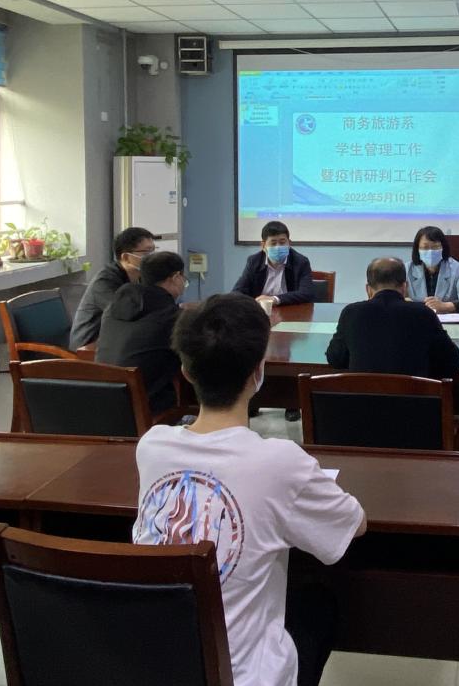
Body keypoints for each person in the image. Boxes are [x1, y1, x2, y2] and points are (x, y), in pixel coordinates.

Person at [133, 292, 366, 686]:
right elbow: (354, 525)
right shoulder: (281, 462)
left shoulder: (152, 446)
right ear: (259, 369)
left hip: (160, 663)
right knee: (318, 603)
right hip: (243, 677)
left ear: (186, 372)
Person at [326, 258, 459, 379]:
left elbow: (335, 359)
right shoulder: (423, 313)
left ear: (368, 289)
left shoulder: (351, 313)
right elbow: (451, 363)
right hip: (414, 398)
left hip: (364, 398)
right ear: (404, 287)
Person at [95, 251, 186, 415]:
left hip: (102, 402)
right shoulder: (172, 317)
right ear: (176, 277)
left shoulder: (113, 307)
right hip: (146, 409)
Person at [70, 227, 155, 349]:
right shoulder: (105, 281)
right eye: (146, 253)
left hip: (119, 338)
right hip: (90, 346)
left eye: (153, 251)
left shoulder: (142, 277)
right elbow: (124, 313)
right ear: (126, 257)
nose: (152, 257)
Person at [232, 220, 315, 307]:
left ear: (289, 243)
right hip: (260, 310)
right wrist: (253, 303)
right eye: (273, 243)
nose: (278, 247)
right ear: (263, 246)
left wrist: (275, 299)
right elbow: (237, 292)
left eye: (282, 242)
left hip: (290, 309)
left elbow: (307, 293)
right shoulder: (254, 261)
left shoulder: (301, 262)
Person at [405, 226, 459, 313]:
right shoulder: (407, 269)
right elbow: (394, 298)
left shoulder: (456, 268)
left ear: (443, 248)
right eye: (425, 247)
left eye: (435, 247)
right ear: (417, 249)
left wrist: (445, 306)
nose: (430, 251)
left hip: (447, 319)